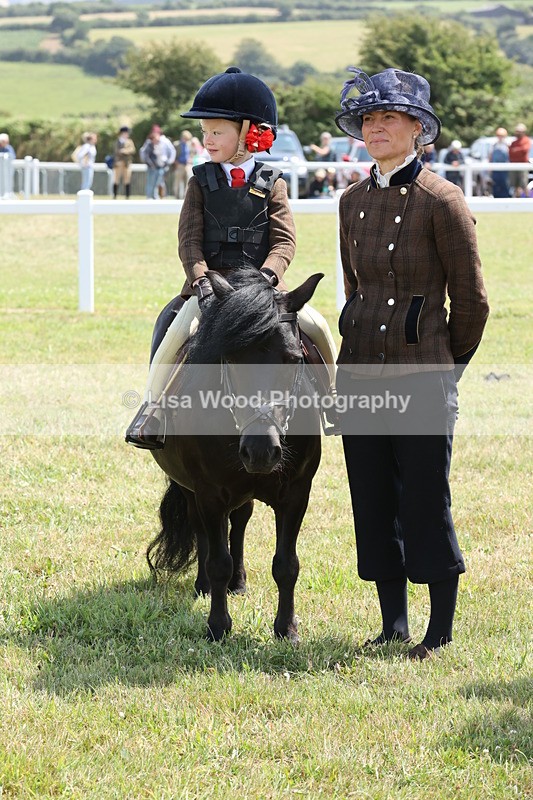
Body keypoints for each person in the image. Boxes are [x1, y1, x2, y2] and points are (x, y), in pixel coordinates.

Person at [334, 67, 489, 660]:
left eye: (388, 118)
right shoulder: (351, 200)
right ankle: (392, 623)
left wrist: (446, 366)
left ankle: (439, 630)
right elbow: (356, 286)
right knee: (372, 499)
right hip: (360, 374)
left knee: (424, 500)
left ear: (418, 129)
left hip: (423, 375)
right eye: (369, 118)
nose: (376, 127)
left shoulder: (443, 201)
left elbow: (472, 301)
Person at [126, 67, 339, 449]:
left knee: (317, 326)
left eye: (216, 132)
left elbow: (284, 241)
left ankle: (333, 401)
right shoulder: (199, 182)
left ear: (246, 133)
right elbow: (189, 241)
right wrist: (201, 279)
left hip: (264, 289)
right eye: (205, 132)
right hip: (211, 289)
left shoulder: (273, 182)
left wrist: (269, 278)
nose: (207, 140)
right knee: (174, 332)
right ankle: (152, 409)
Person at [140, 125, 176, 199]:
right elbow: (143, 153)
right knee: (151, 182)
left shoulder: (165, 141)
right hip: (152, 166)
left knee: (159, 183)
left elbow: (172, 151)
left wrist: (169, 161)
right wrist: (148, 162)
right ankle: (150, 197)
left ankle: (158, 197)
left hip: (162, 166)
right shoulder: (149, 142)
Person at [112, 125, 136, 199]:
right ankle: (115, 195)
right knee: (116, 179)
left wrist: (124, 151)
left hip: (127, 163)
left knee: (127, 179)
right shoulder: (117, 141)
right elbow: (116, 151)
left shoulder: (129, 141)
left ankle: (127, 195)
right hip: (118, 163)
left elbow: (132, 150)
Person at [508, 123, 531, 198]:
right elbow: (510, 152)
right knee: (515, 185)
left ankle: (527, 198)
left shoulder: (526, 140)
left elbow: (524, 150)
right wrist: (516, 151)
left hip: (523, 165)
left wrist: (516, 150)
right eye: (516, 131)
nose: (517, 133)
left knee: (523, 184)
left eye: (519, 131)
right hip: (514, 165)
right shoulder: (514, 142)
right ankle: (517, 198)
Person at [489, 127, 510, 199]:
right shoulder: (494, 145)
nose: (500, 137)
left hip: (504, 169)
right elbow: (490, 157)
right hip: (495, 169)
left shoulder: (507, 145)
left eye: (502, 136)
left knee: (505, 185)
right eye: (499, 135)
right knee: (496, 185)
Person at [173, 129, 193, 199]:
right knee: (177, 182)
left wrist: (190, 159)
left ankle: (185, 197)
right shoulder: (176, 144)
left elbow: (191, 153)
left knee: (187, 182)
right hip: (179, 165)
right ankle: (177, 197)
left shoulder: (189, 144)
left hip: (187, 165)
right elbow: (173, 155)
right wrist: (175, 162)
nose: (186, 140)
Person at [0, 132, 16, 197]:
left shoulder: (9, 148)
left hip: (7, 172)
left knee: (8, 183)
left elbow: (12, 157)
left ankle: (8, 193)